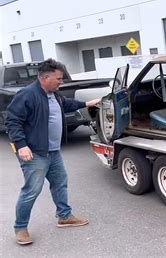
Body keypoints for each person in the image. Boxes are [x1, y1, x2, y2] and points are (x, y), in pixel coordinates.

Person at [5, 58, 101, 245]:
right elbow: (13, 121)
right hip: (34, 152)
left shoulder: (53, 94)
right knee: (31, 190)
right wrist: (21, 145)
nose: (61, 81)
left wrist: (87, 103)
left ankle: (64, 216)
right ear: (45, 77)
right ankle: (20, 228)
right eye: (58, 78)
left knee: (59, 183)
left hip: (53, 151)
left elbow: (66, 105)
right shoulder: (28, 94)